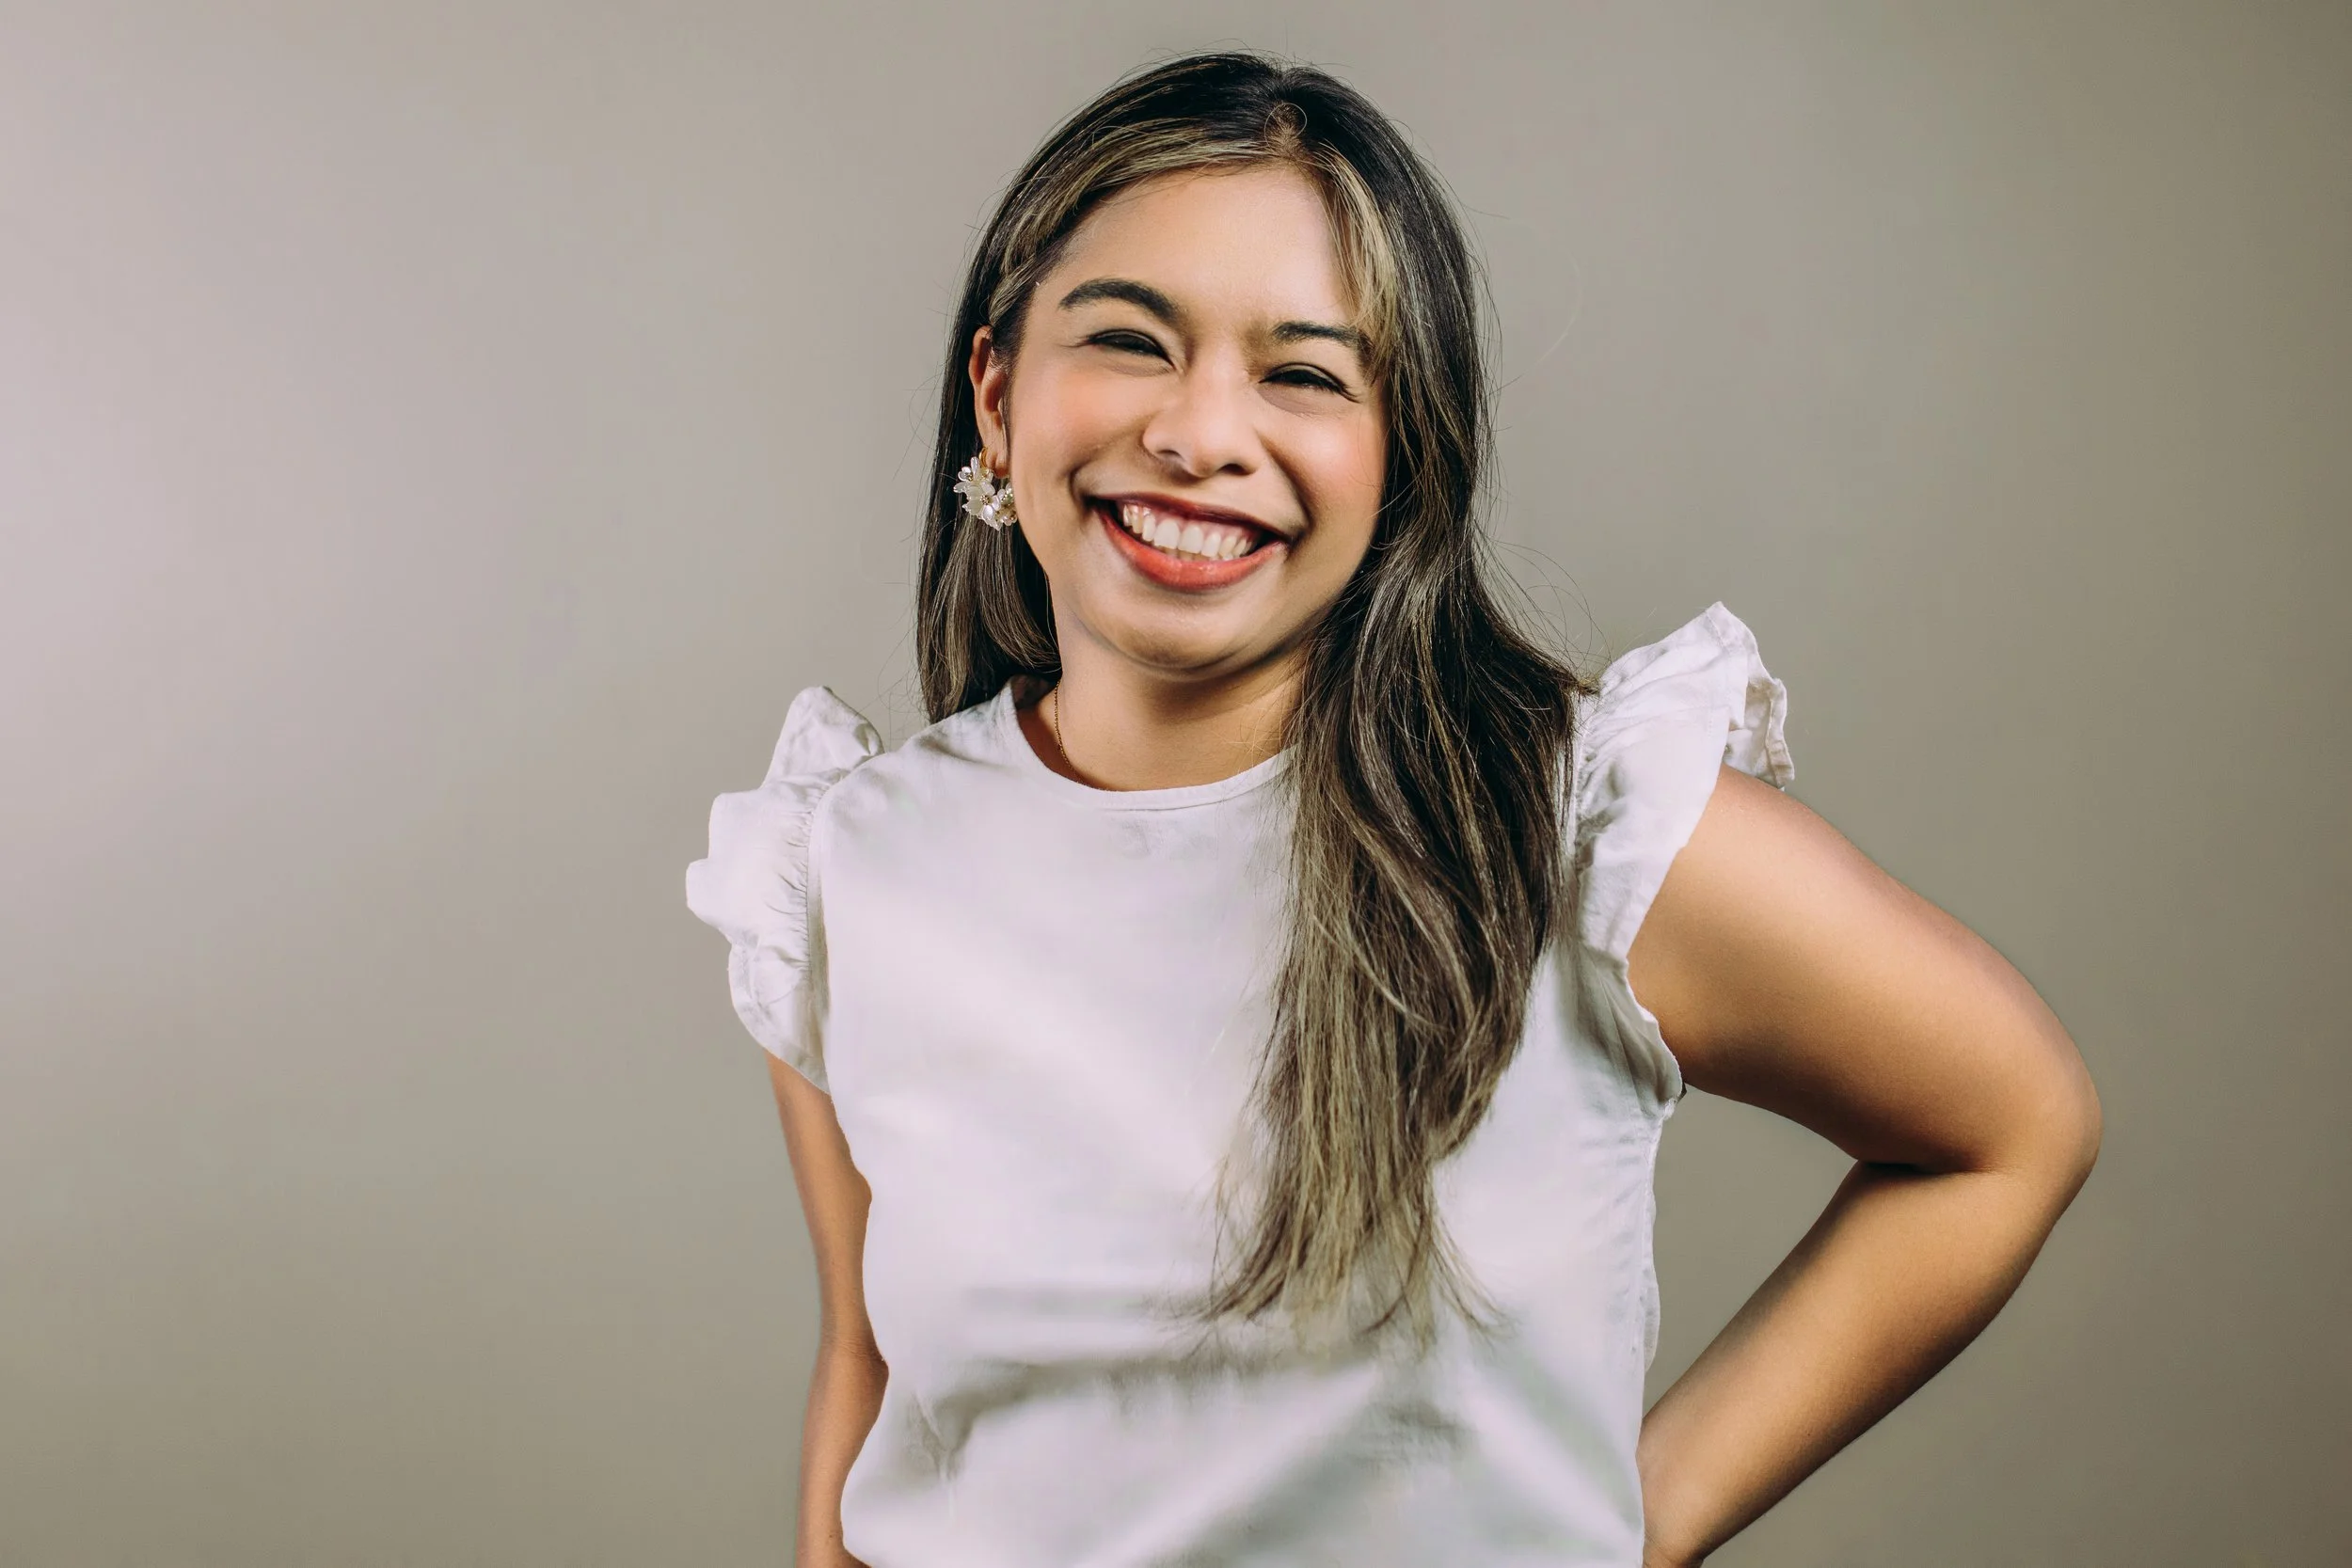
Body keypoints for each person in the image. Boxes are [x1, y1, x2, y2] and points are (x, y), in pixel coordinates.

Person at [685, 50, 2101, 1568]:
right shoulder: (850, 866)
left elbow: (2014, 1124)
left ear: (1398, 455)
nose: (1201, 433)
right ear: (997, 394)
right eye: (1129, 341)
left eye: (1302, 372)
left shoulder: (1569, 835)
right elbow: (876, 1359)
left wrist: (1640, 1522)